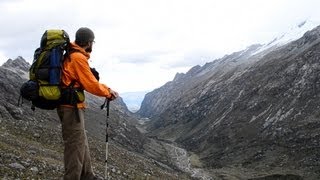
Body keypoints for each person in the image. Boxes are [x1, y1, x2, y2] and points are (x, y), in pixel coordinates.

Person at [57, 27, 119, 180]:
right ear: (89, 42)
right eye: (92, 42)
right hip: (70, 108)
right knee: (75, 146)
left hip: (72, 106)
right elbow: (91, 84)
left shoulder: (73, 55)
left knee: (80, 141)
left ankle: (87, 176)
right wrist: (108, 91)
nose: (93, 45)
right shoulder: (78, 58)